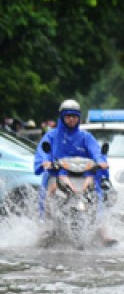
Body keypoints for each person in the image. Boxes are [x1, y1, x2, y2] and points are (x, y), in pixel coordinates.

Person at [34, 99, 116, 245]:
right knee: (50, 190)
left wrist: (101, 161)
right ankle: (46, 225)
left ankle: (101, 229)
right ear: (62, 117)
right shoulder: (51, 136)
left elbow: (96, 152)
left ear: (79, 117)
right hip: (58, 174)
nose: (71, 119)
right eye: (68, 116)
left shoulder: (86, 137)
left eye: (74, 116)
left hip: (84, 175)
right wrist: (45, 161)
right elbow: (43, 151)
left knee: (97, 191)